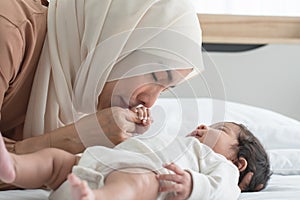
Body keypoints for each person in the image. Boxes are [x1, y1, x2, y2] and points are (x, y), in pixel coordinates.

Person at [0, 0, 257, 191]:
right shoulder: (10, 31)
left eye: (165, 90)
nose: (151, 102)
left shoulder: (78, 84)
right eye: (155, 77)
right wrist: (73, 137)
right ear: (115, 44)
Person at [0, 116, 271, 199]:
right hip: (96, 163)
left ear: (240, 162)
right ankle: (13, 167)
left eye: (219, 130)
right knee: (57, 161)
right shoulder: (178, 142)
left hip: (149, 177)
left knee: (140, 183)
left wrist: (192, 185)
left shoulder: (224, 168)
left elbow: (225, 191)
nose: (203, 127)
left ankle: (99, 198)